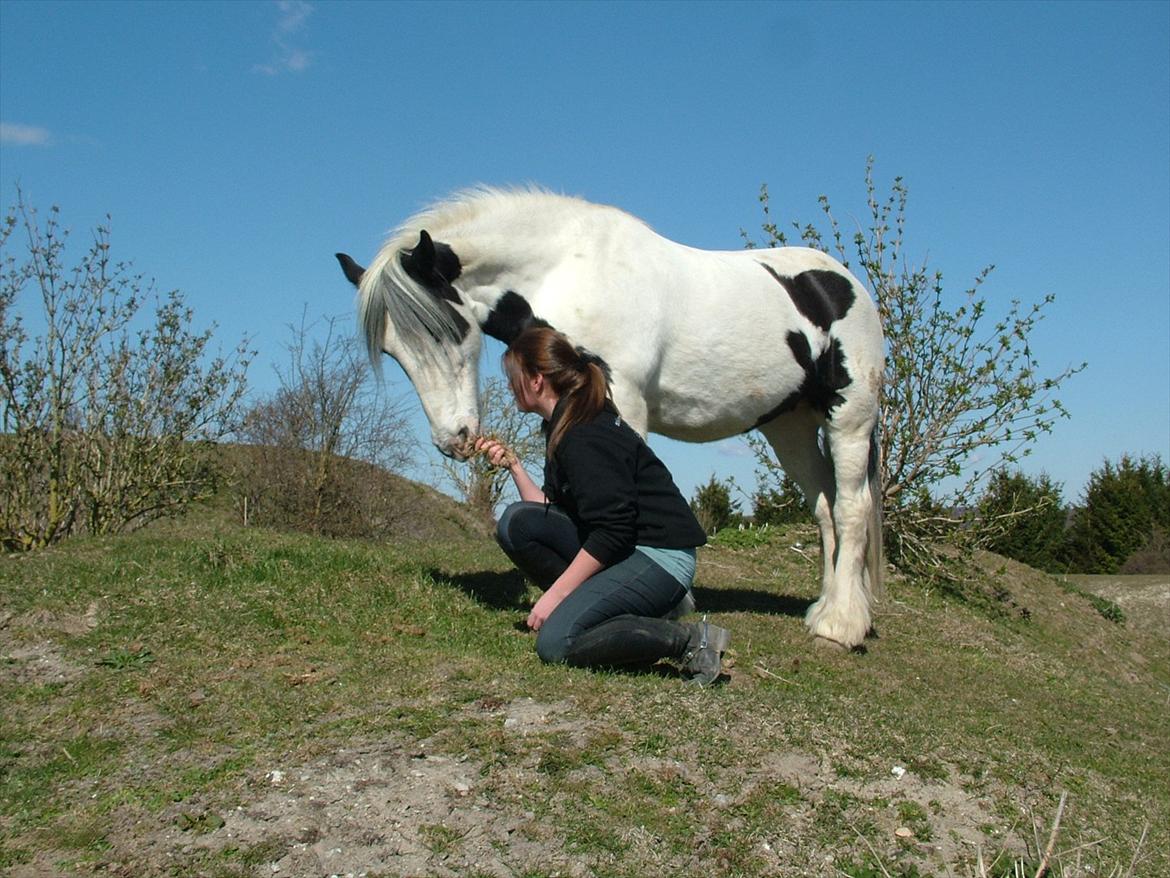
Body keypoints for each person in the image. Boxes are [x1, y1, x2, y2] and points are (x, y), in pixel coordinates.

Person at [474, 326, 731, 685]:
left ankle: (689, 641)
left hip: (660, 557)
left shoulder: (584, 433)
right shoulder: (564, 424)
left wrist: (555, 596)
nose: (507, 385)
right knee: (518, 522)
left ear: (535, 380)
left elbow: (614, 530)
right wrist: (514, 466)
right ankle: (611, 611)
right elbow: (550, 512)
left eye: (511, 377)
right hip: (629, 549)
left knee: (557, 642)